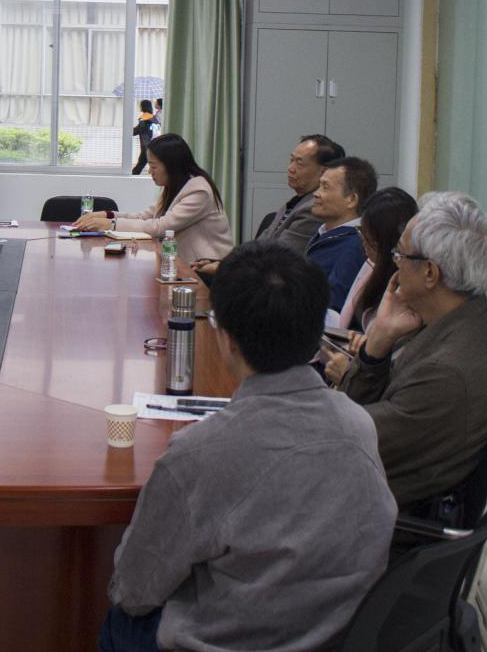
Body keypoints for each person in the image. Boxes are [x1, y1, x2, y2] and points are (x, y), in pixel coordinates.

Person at [101, 241, 396, 652]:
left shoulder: (198, 454)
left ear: (226, 339)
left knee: (118, 624)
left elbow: (133, 592)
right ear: (316, 336)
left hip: (231, 640)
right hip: (337, 636)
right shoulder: (358, 424)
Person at [329, 192, 487, 511]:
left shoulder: (446, 371)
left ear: (430, 273)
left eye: (400, 254)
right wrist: (379, 340)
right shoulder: (467, 317)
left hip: (379, 511)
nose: (394, 262)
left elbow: (345, 436)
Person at [192, 134, 343, 280]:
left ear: (324, 171)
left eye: (299, 163)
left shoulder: (314, 209)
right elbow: (260, 244)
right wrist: (223, 262)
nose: (291, 168)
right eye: (291, 160)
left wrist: (224, 267)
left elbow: (278, 255)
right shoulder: (297, 201)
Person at [73, 133, 233, 262]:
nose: (149, 171)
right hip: (181, 264)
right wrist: (106, 215)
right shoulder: (174, 186)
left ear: (172, 166)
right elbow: (143, 217)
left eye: (153, 166)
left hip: (206, 269)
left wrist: (110, 225)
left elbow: (161, 227)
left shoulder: (198, 191)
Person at [335, 187, 419, 333]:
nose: (362, 238)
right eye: (360, 229)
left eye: (366, 233)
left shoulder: (407, 282)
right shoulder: (370, 264)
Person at [305, 156, 376, 312]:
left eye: (325, 187)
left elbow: (333, 305)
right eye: (319, 186)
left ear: (351, 199)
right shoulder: (326, 232)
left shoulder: (356, 245)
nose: (316, 193)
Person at [130, 100, 157, 175]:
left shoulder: (144, 118)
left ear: (143, 107)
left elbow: (139, 130)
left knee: (140, 165)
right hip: (154, 144)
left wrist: (128, 131)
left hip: (146, 145)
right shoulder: (153, 118)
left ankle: (132, 177)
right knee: (142, 164)